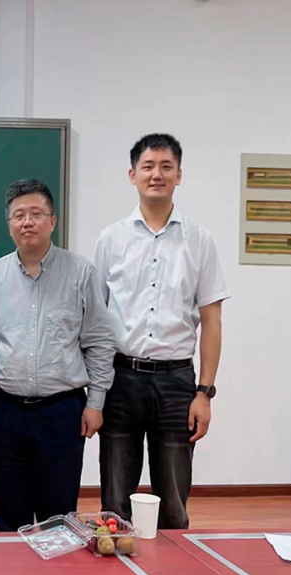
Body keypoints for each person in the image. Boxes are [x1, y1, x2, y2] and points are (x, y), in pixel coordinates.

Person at [93, 133, 230, 530]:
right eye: (148, 167)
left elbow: (212, 320)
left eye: (166, 167)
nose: (157, 174)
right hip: (120, 379)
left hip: (176, 383)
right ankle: (118, 565)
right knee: (115, 502)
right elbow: (95, 320)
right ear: (132, 175)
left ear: (179, 175)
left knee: (173, 501)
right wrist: (96, 390)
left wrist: (204, 393)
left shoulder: (199, 240)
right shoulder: (111, 239)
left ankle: (173, 567)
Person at [0, 178, 116, 532]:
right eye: (19, 215)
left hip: (62, 413)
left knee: (59, 518)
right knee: (9, 517)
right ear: (9, 224)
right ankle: (12, 570)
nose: (27, 222)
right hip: (5, 411)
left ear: (52, 221)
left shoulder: (80, 272)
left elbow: (100, 341)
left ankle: (59, 569)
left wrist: (96, 402)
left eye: (36, 213)